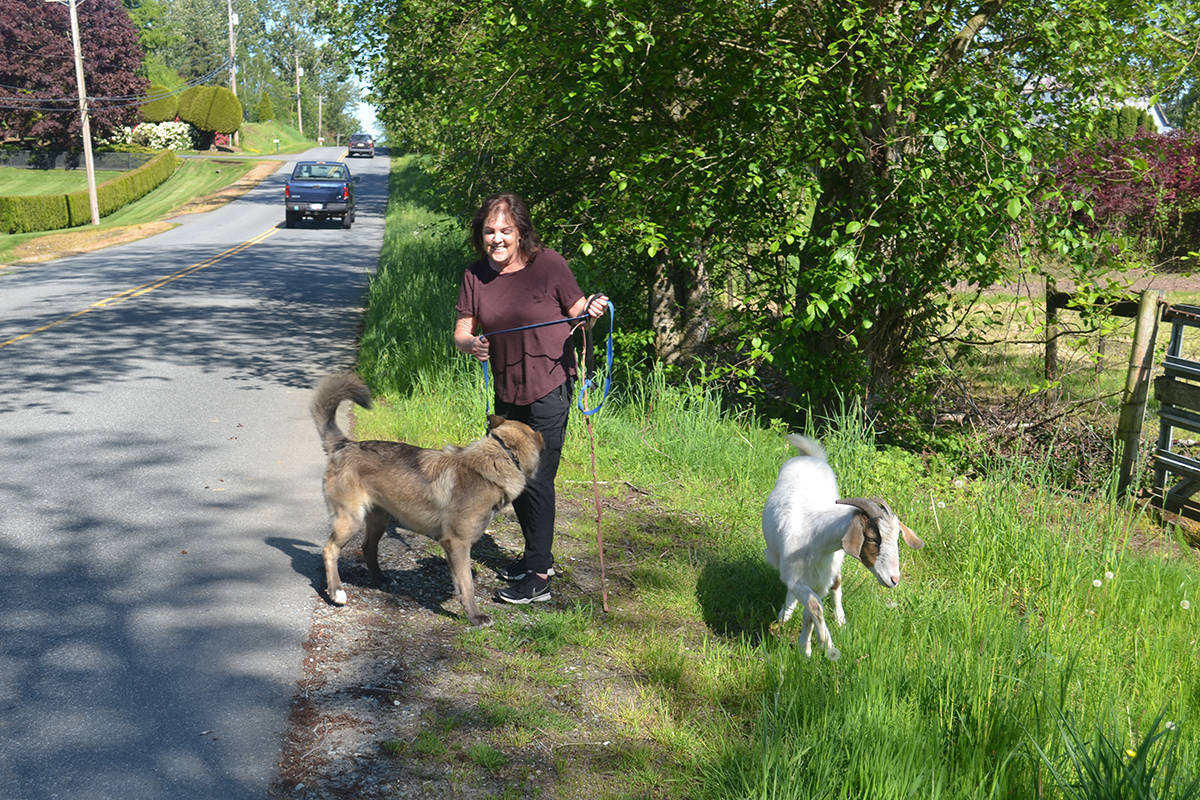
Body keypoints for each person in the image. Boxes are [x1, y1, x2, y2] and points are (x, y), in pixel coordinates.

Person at [453, 192, 608, 605]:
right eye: (489, 231)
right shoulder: (475, 276)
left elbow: (579, 315)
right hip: (507, 391)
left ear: (521, 231)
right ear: (480, 234)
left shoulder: (549, 265)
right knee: (515, 479)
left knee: (537, 480)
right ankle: (536, 558)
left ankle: (538, 576)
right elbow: (462, 332)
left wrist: (592, 311)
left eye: (505, 230)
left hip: (549, 387)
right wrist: (473, 346)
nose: (497, 239)